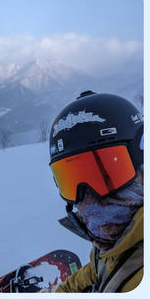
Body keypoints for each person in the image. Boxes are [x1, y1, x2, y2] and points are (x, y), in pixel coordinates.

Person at [48, 90, 143, 292]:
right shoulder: (114, 242)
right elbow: (99, 267)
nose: (88, 201)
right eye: (72, 181)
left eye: (107, 175)